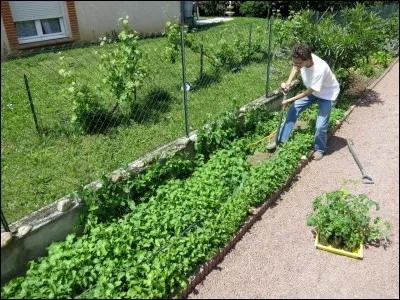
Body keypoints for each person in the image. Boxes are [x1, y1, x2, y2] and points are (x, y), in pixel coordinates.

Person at [266, 43, 340, 160]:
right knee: (292, 110)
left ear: (307, 60)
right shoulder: (301, 61)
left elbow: (307, 93)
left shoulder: (320, 69)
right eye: (294, 62)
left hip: (327, 94)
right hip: (314, 90)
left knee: (320, 125)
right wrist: (288, 82)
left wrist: (289, 100)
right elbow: (295, 68)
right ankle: (280, 140)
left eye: (299, 63)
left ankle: (320, 148)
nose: (296, 65)